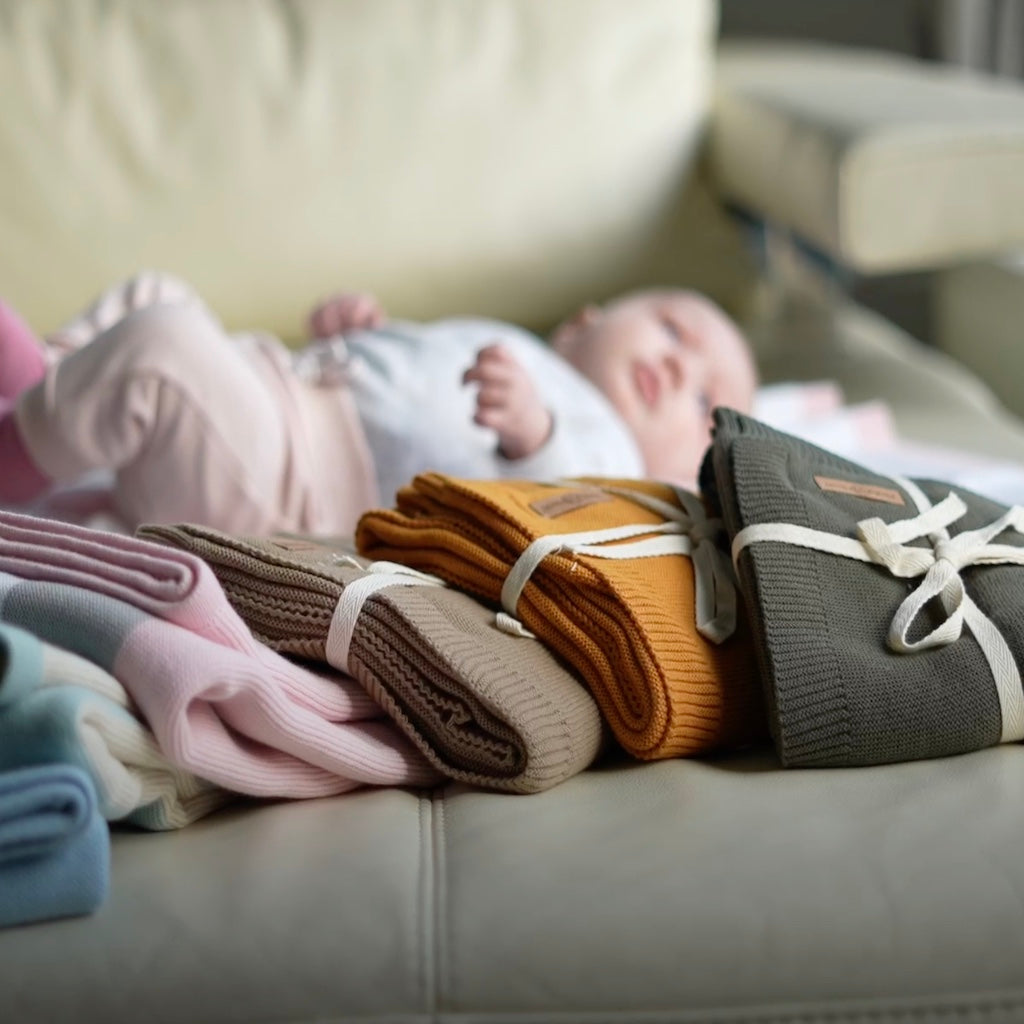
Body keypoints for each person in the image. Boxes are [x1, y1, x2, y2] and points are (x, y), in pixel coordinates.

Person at [0, 271, 757, 535]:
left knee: (160, 346)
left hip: (292, 496)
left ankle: (18, 449)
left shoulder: (610, 454)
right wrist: (364, 338)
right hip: (277, 396)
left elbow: (570, 505)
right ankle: (42, 391)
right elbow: (411, 388)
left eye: (703, 398)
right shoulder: (514, 347)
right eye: (671, 328)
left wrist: (536, 434)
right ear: (584, 323)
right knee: (159, 297)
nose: (677, 363)